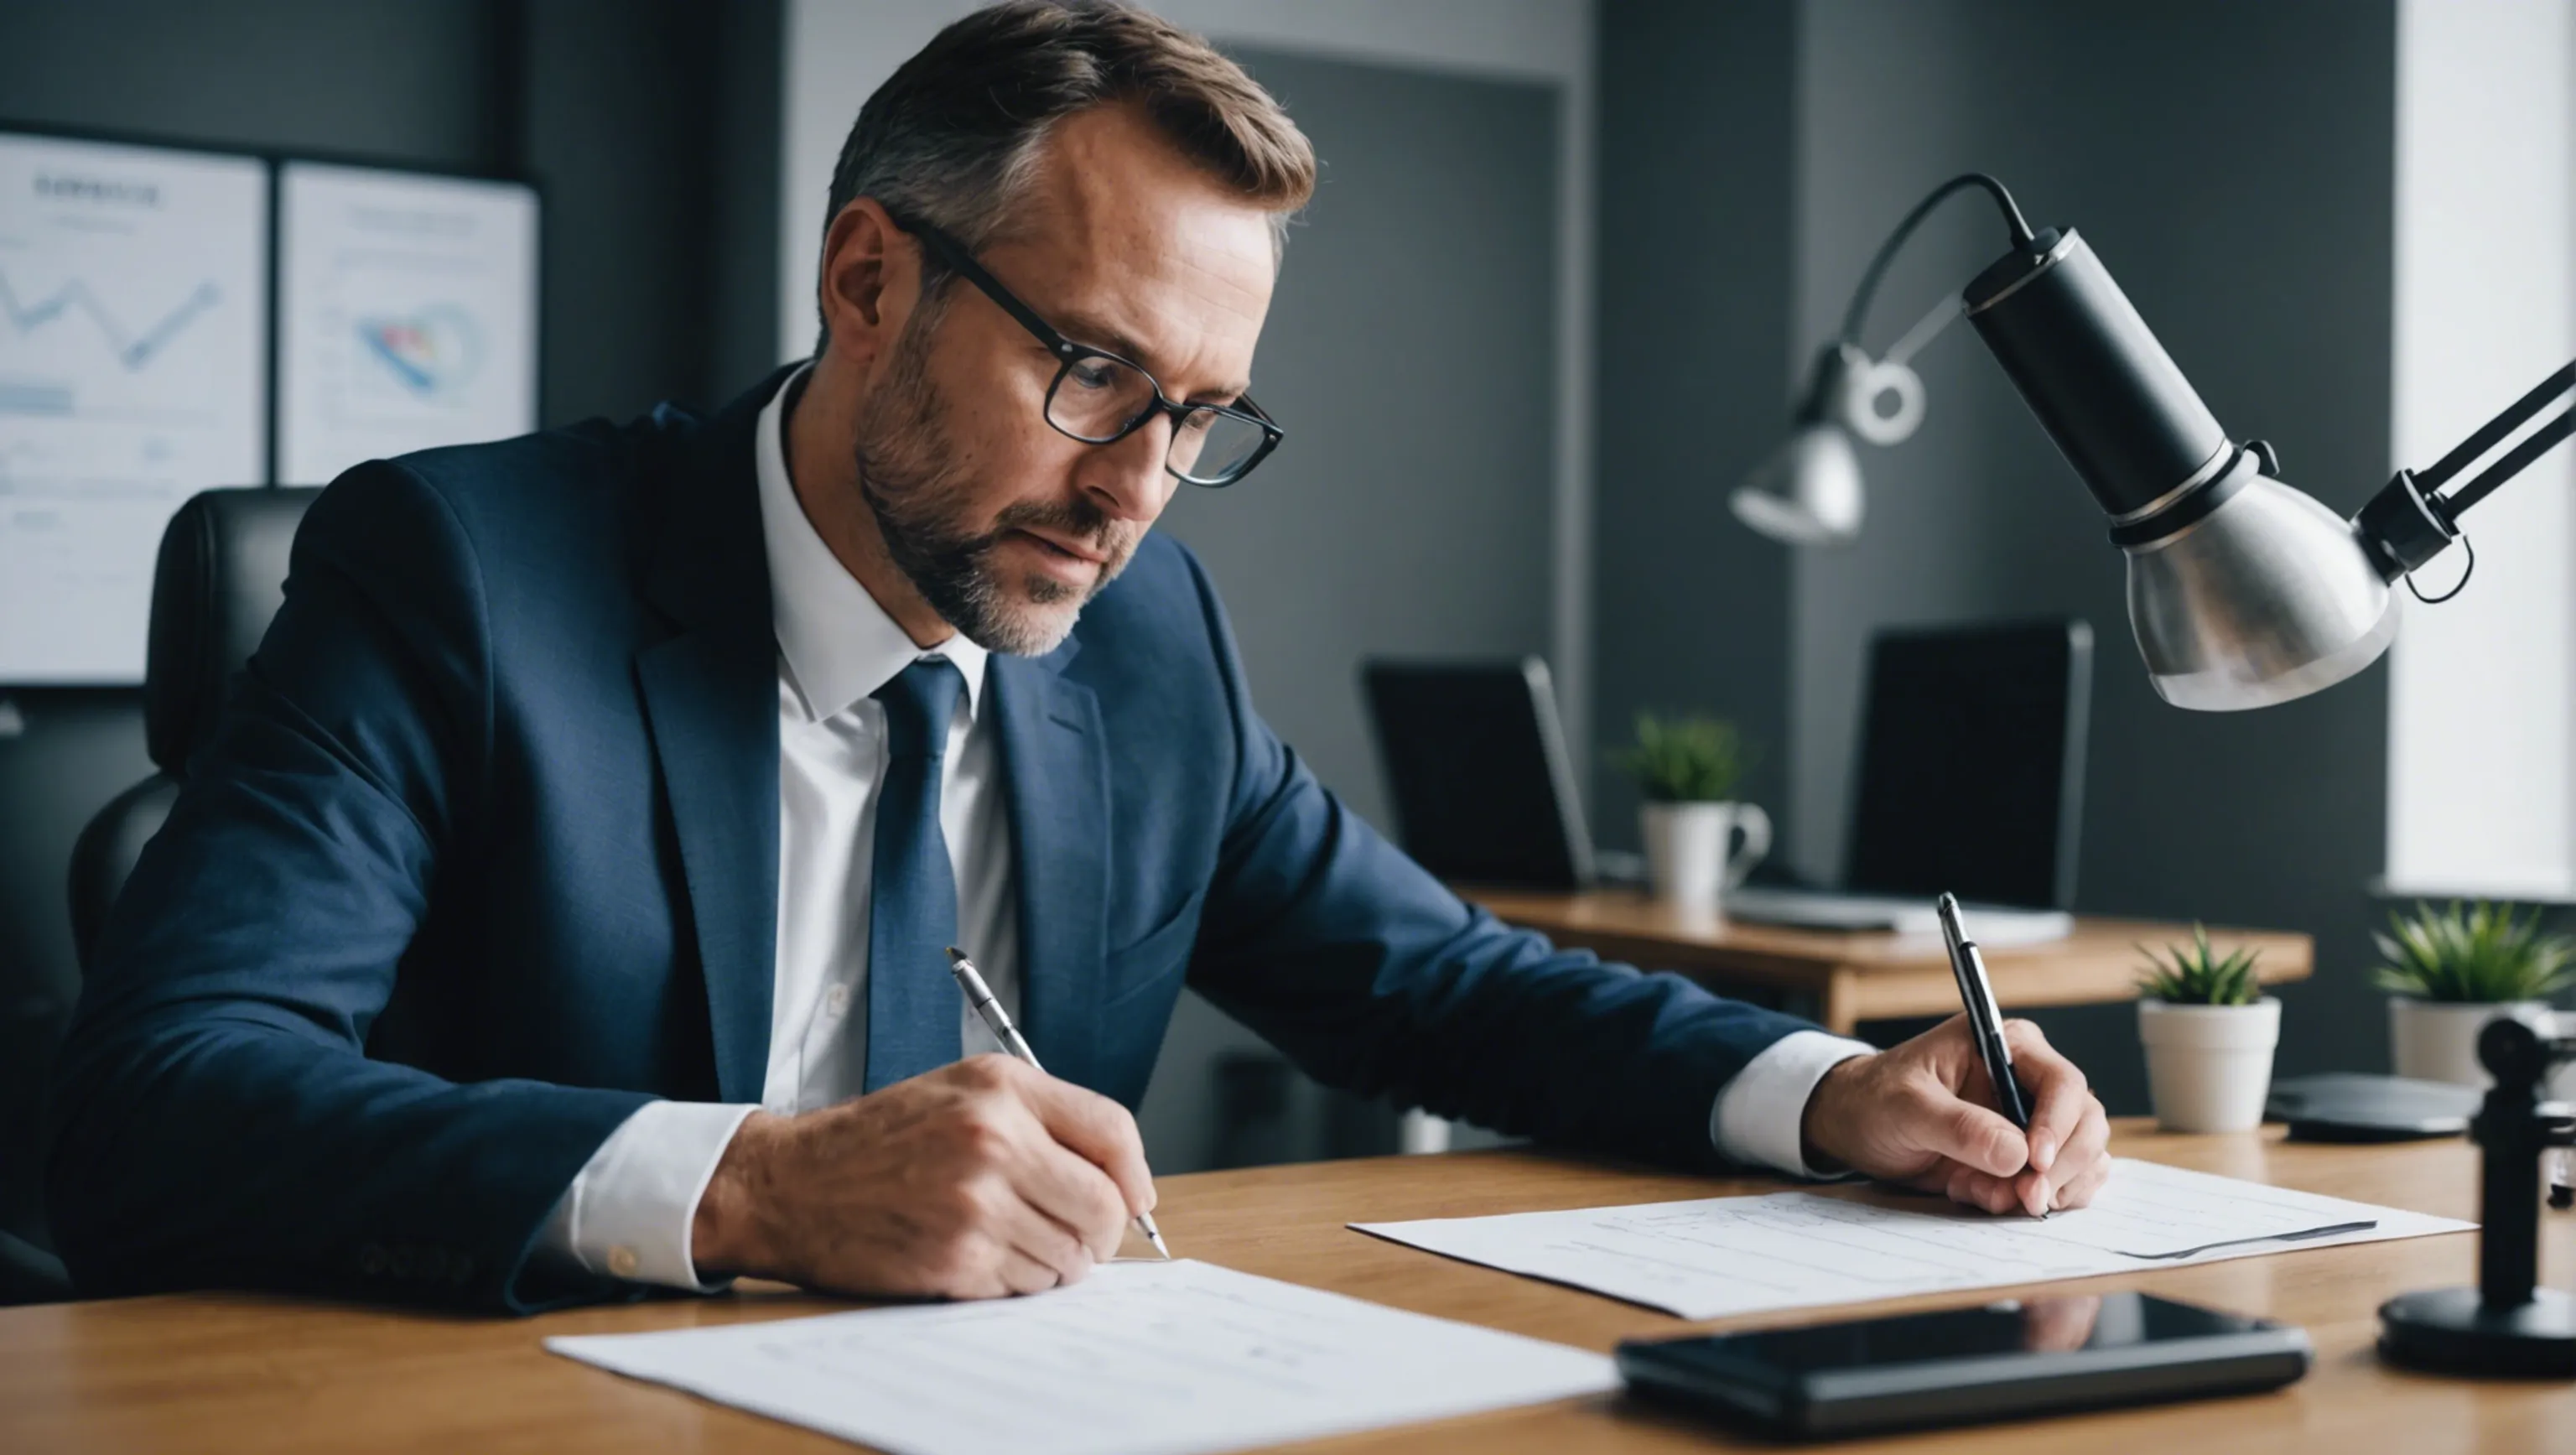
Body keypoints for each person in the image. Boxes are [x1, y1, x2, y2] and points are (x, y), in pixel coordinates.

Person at [46, 0, 2110, 1312]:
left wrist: (1833, 1091)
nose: (1139, 487)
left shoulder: (1144, 645)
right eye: (1094, 371)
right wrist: (756, 1191)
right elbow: (159, 1104)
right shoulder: (466, 569)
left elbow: (1438, 984)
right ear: (868, 278)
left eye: (1201, 415)